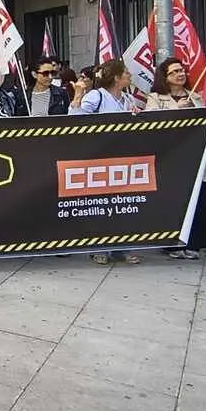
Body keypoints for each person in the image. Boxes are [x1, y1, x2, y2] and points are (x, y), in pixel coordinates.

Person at [146, 57, 206, 259]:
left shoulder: (196, 97)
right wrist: (177, 110)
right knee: (172, 201)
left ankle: (192, 242)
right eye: (174, 71)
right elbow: (151, 125)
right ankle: (171, 243)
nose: (181, 74)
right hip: (170, 157)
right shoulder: (155, 98)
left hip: (195, 156)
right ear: (165, 77)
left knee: (196, 200)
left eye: (182, 70)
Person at [73, 59, 141, 266]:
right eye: (127, 73)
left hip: (123, 158)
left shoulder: (128, 99)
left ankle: (123, 247)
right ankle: (99, 248)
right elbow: (76, 118)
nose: (130, 76)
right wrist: (77, 96)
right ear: (117, 77)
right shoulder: (97, 96)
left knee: (124, 204)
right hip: (99, 157)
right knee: (102, 205)